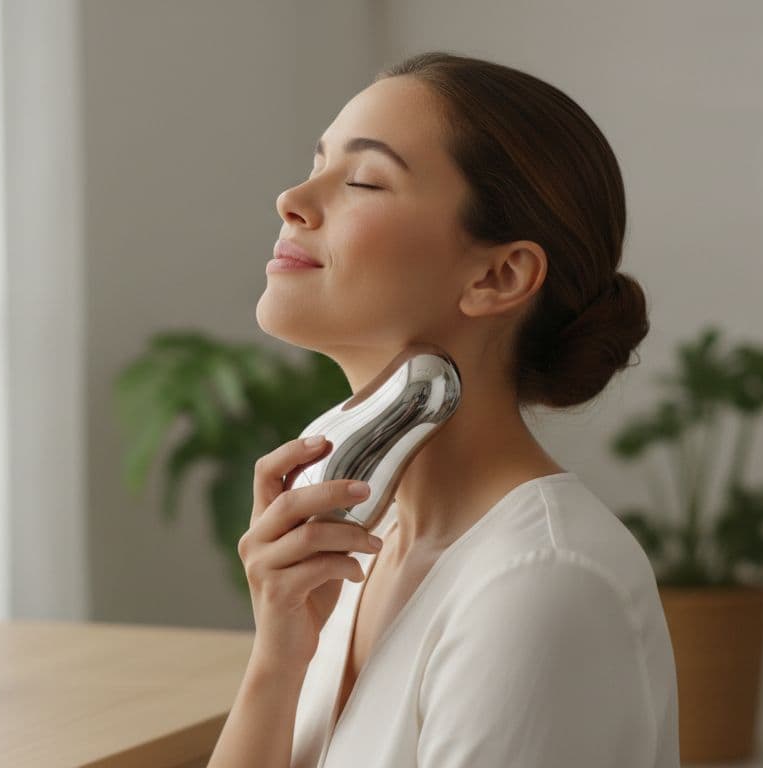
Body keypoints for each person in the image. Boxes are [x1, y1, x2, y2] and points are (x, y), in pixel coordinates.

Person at [209, 51, 679, 767]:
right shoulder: (359, 548)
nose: (293, 198)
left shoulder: (541, 585)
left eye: (364, 179)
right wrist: (278, 658)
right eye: (318, 161)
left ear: (499, 275)